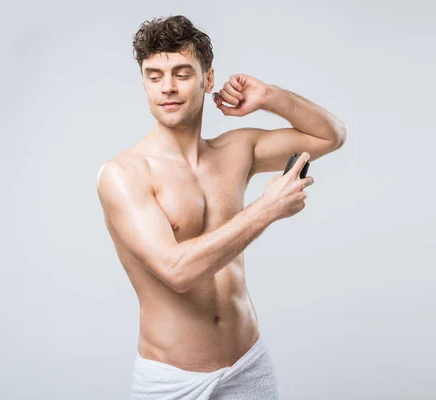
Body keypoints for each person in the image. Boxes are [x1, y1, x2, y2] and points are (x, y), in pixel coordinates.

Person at [95, 15, 346, 400]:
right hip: (171, 383)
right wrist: (267, 208)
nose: (168, 88)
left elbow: (330, 135)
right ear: (143, 80)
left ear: (208, 79)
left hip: (248, 367)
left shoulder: (236, 150)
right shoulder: (124, 174)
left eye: (182, 73)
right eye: (154, 75)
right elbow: (177, 271)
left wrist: (270, 97)